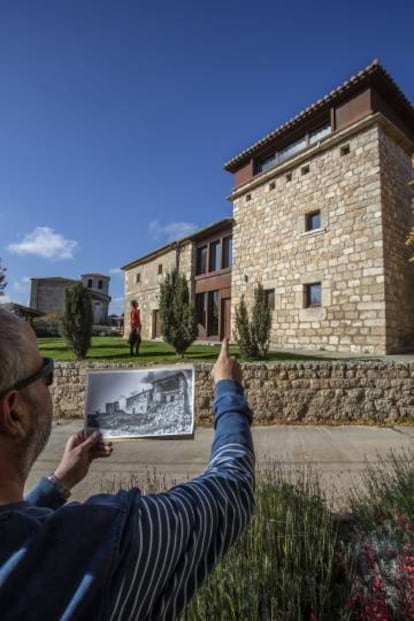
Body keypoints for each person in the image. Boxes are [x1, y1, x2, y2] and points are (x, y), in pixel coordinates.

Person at [0, 308, 255, 620]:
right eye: (47, 374)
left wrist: (57, 483)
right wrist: (227, 389)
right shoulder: (101, 541)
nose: (49, 385)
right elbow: (233, 487)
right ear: (14, 412)